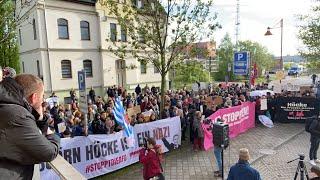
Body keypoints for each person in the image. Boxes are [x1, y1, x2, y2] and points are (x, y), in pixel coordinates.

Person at [0, 74, 60, 179]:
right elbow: (49, 152)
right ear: (34, 97)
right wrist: (53, 136)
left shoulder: (7, 104)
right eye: (42, 97)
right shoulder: (19, 116)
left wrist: (40, 119)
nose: (43, 101)